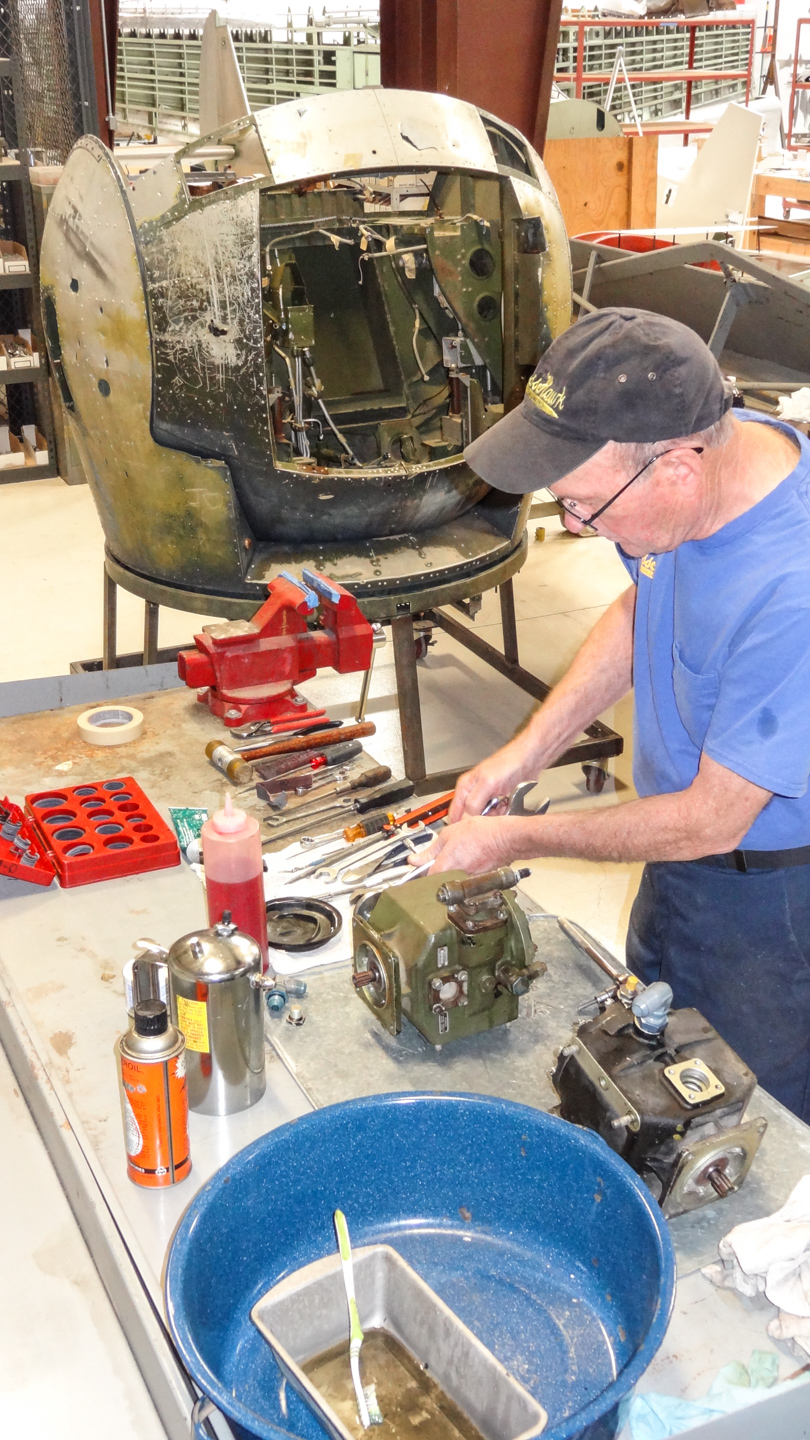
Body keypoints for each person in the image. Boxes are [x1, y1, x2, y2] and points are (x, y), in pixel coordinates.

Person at [417, 306, 810, 1123]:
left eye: (583, 507)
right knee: (643, 1068)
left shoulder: (793, 588)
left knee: (746, 1128)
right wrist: (524, 755)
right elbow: (642, 610)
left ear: (675, 470)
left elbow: (710, 821)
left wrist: (516, 837)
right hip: (681, 869)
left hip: (770, 912)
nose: (571, 525)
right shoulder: (695, 460)